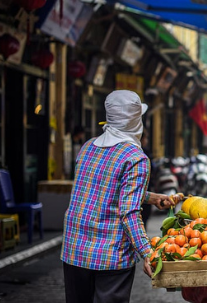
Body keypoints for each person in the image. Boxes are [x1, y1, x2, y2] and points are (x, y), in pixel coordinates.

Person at [61, 90, 181, 303]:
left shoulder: (88, 147)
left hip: (75, 250)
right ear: (137, 121)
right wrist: (147, 253)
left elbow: (102, 188)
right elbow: (129, 212)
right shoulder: (136, 158)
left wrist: (150, 197)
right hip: (110, 256)